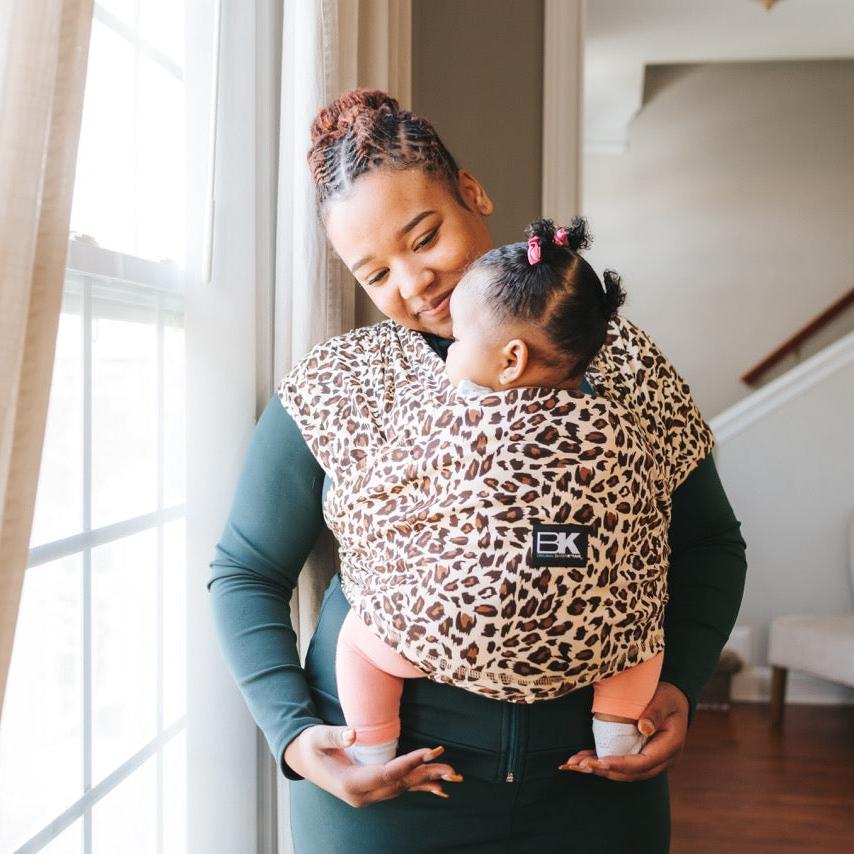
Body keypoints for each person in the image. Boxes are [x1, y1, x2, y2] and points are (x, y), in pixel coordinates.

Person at [209, 89, 747, 853]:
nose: (414, 282)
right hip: (390, 787)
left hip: (592, 786)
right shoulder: (336, 385)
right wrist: (294, 736)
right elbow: (243, 568)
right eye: (376, 274)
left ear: (473, 193)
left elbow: (713, 544)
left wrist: (681, 685)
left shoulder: (621, 362)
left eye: (423, 237)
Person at [308, 217, 678, 767]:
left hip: (450, 626)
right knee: (640, 632)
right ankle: (619, 736)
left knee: (363, 639)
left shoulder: (446, 409)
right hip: (589, 635)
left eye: (459, 339)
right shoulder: (621, 423)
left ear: (510, 361)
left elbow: (381, 491)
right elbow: (646, 522)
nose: (450, 350)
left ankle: (372, 748)